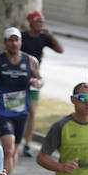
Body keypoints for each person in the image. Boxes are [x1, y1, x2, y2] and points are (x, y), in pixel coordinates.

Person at [0, 27, 43, 175]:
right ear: (5, 42)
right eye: (10, 40)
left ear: (20, 42)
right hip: (3, 111)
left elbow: (41, 79)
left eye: (16, 40)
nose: (14, 43)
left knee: (14, 150)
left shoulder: (30, 61)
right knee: (9, 149)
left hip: (21, 111)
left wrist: (37, 82)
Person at [20, 11, 63, 158]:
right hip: (18, 79)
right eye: (38, 22)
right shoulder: (22, 37)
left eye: (42, 22)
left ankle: (27, 144)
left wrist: (50, 35)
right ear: (31, 23)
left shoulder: (43, 38)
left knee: (32, 111)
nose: (41, 24)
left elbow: (60, 50)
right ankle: (15, 139)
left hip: (34, 80)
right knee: (18, 110)